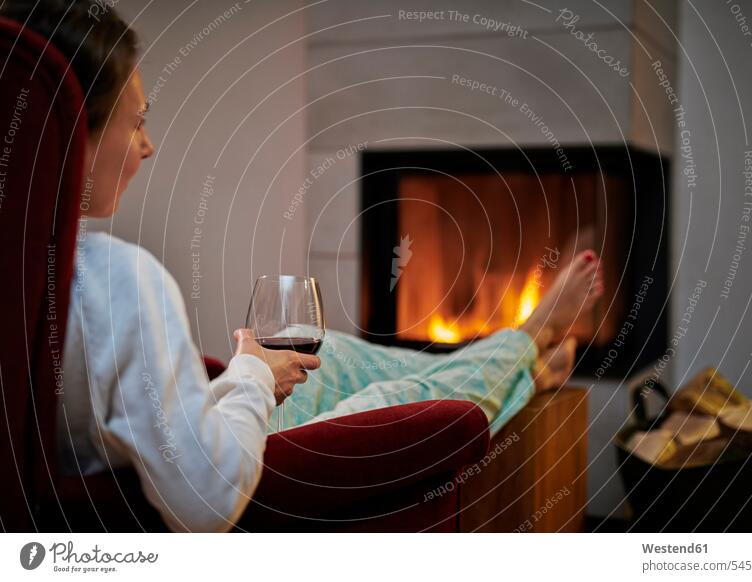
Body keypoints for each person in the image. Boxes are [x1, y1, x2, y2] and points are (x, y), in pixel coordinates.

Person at [2, 1, 603, 532]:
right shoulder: (119, 280)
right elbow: (206, 501)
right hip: (241, 494)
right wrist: (252, 378)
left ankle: (515, 360)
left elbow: (121, 428)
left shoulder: (30, 274)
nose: (148, 145)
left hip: (161, 462)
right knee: (407, 396)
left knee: (332, 357)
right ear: (65, 131)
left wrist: (244, 375)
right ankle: (523, 345)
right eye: (136, 122)